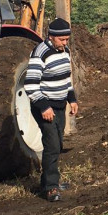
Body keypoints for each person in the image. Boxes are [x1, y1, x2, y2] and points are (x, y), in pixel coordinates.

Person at [24, 17, 78, 201]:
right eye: (61, 40)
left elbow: (66, 78)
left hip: (59, 105)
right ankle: (51, 188)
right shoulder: (40, 53)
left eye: (67, 40)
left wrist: (72, 99)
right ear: (51, 37)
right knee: (52, 145)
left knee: (59, 143)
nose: (65, 43)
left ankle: (49, 181)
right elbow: (30, 85)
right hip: (44, 106)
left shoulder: (65, 51)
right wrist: (44, 107)